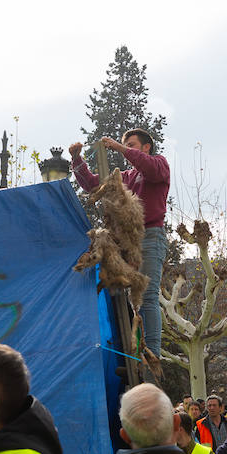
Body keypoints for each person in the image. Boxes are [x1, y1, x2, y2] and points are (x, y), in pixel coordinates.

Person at [69, 130, 170, 360]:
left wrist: (120, 148)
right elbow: (93, 185)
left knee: (147, 295)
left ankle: (152, 352)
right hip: (124, 242)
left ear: (146, 147)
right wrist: (77, 160)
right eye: (126, 146)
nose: (126, 150)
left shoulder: (159, 164)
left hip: (149, 236)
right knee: (119, 293)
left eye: (132, 145)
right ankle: (127, 347)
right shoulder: (125, 177)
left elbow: (151, 170)